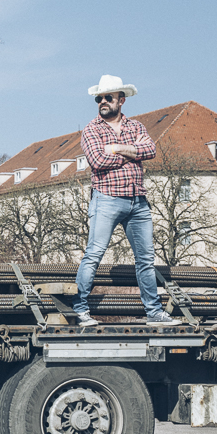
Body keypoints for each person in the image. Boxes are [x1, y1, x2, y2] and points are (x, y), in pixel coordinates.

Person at [74, 75, 181, 327]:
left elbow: (150, 150)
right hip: (107, 198)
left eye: (107, 97)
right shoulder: (92, 129)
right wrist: (131, 152)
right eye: (98, 98)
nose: (102, 101)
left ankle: (154, 313)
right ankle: (80, 311)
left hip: (138, 201)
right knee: (94, 254)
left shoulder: (137, 126)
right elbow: (98, 161)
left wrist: (117, 148)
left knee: (145, 259)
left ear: (121, 100)